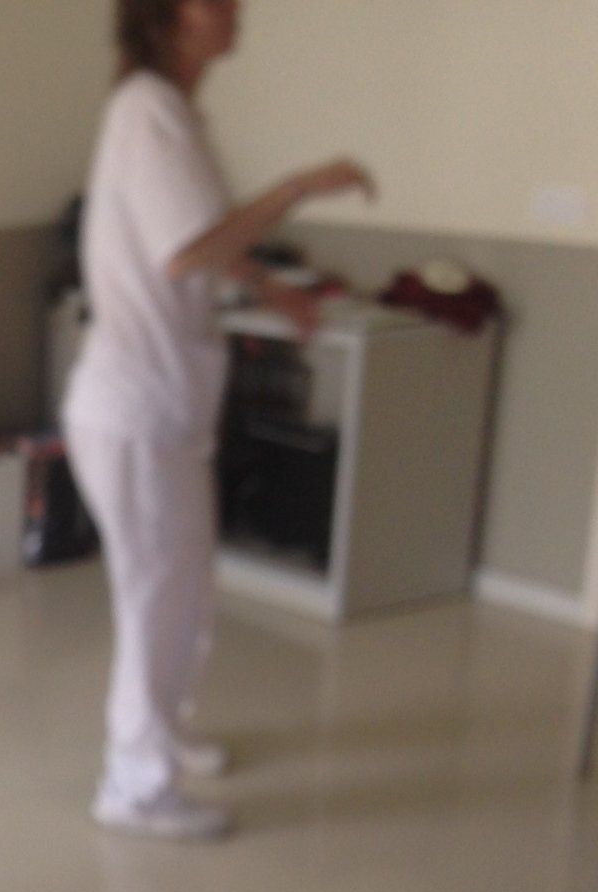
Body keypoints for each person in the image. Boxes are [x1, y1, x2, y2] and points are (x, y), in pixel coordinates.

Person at [63, 0, 375, 840]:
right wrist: (300, 187)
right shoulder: (150, 110)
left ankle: (162, 735)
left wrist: (270, 287)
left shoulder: (170, 111)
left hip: (162, 409)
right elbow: (186, 249)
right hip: (133, 410)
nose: (234, 8)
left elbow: (198, 238)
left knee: (187, 587)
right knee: (155, 601)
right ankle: (133, 787)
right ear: (168, 17)